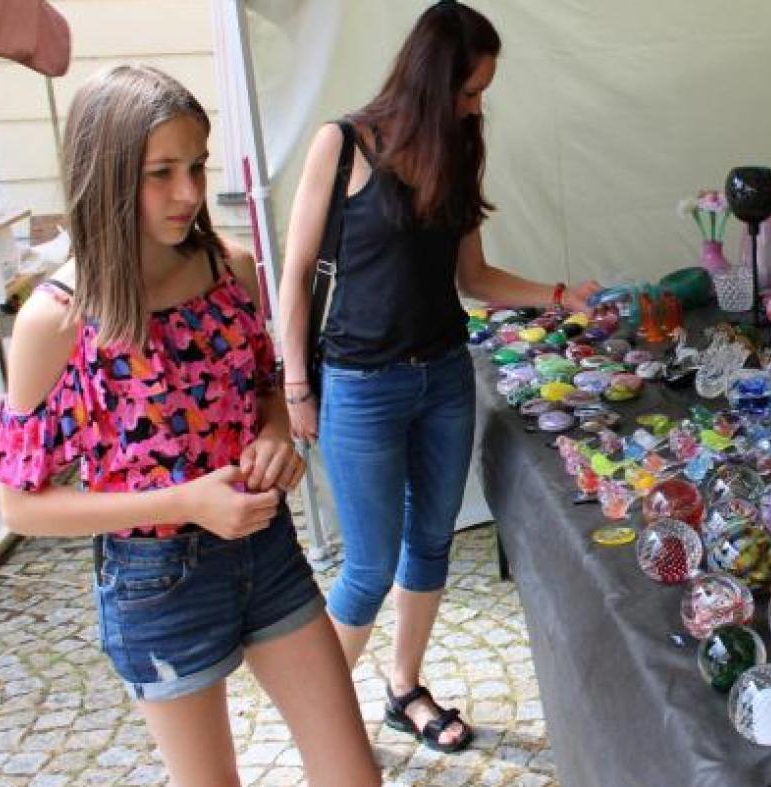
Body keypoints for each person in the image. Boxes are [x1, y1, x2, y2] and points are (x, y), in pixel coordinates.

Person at [0, 66, 381, 787]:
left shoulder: (229, 267)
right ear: (105, 176)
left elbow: (263, 387)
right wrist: (186, 502)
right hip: (154, 579)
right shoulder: (59, 317)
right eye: (161, 173)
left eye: (196, 165)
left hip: (266, 547)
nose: (190, 192)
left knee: (354, 774)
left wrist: (274, 435)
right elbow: (21, 507)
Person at [278, 1, 597, 753]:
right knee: (367, 566)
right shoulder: (342, 144)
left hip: (446, 378)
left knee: (429, 544)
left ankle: (404, 689)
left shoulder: (459, 148)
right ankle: (320, 726)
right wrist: (296, 386)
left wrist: (560, 295)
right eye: (468, 91)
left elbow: (474, 278)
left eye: (481, 92)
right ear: (431, 80)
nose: (476, 106)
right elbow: (294, 275)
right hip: (360, 385)